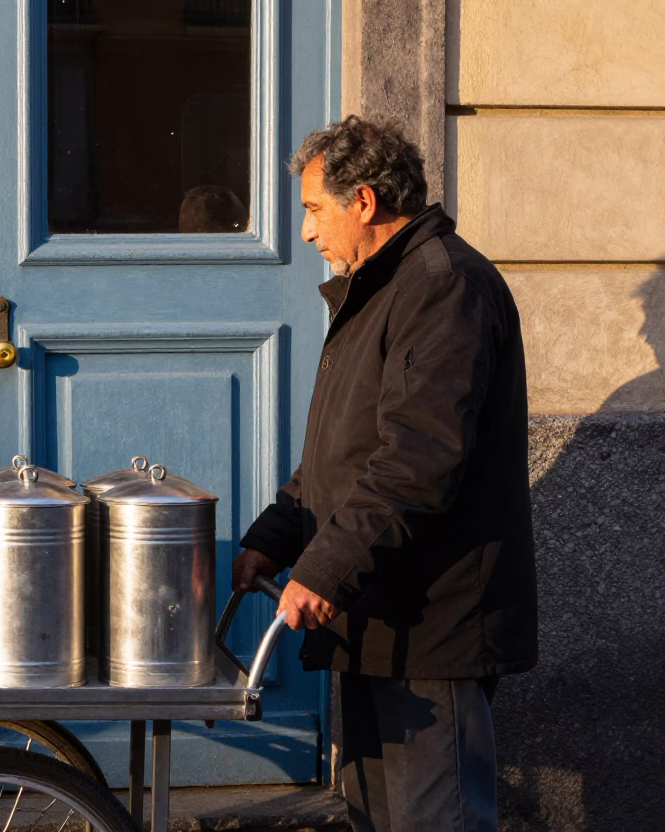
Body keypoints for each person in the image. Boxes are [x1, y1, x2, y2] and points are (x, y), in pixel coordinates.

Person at [233, 115, 537, 832]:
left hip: (431, 622)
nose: (306, 233)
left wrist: (325, 569)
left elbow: (417, 461)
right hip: (374, 609)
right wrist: (277, 535)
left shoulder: (443, 288)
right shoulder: (380, 287)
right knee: (376, 817)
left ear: (363, 202)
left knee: (437, 820)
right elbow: (343, 447)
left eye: (313, 209)